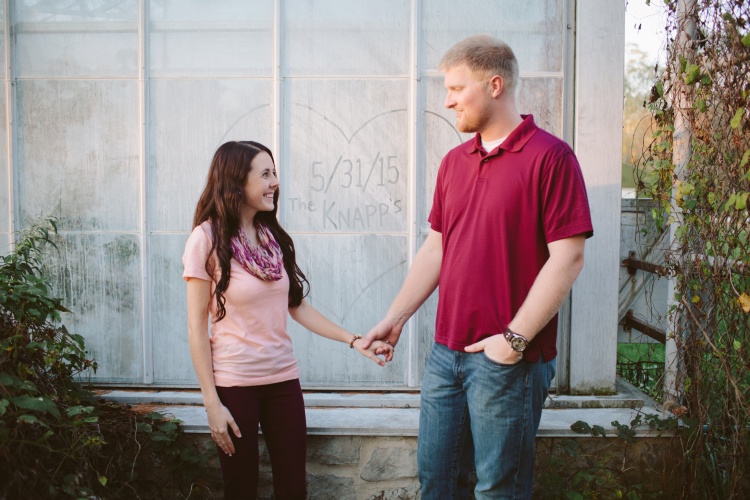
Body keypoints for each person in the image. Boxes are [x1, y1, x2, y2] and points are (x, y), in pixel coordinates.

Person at [361, 35, 593, 499]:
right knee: (436, 482)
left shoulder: (551, 157)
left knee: (497, 490)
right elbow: (437, 250)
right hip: (445, 355)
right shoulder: (454, 162)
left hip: (509, 359)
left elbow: (568, 257)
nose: (447, 101)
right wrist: (395, 318)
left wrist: (513, 340)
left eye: (455, 89)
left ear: (494, 85)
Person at [182, 141, 392, 500]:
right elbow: (195, 328)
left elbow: (297, 306)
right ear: (236, 181)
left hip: (283, 382)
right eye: (265, 174)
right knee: (241, 489)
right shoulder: (206, 239)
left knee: (294, 489)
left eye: (274, 172)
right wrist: (212, 404)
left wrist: (353, 340)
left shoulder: (270, 237)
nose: (275, 182)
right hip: (235, 386)